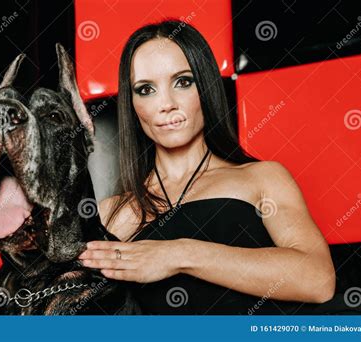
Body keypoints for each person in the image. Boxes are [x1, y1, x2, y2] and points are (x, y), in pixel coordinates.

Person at [77, 20, 337, 314]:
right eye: (146, 89)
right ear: (133, 105)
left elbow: (318, 279)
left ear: (206, 86)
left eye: (183, 82)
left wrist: (179, 254)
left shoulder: (262, 178)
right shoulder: (111, 214)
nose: (166, 104)